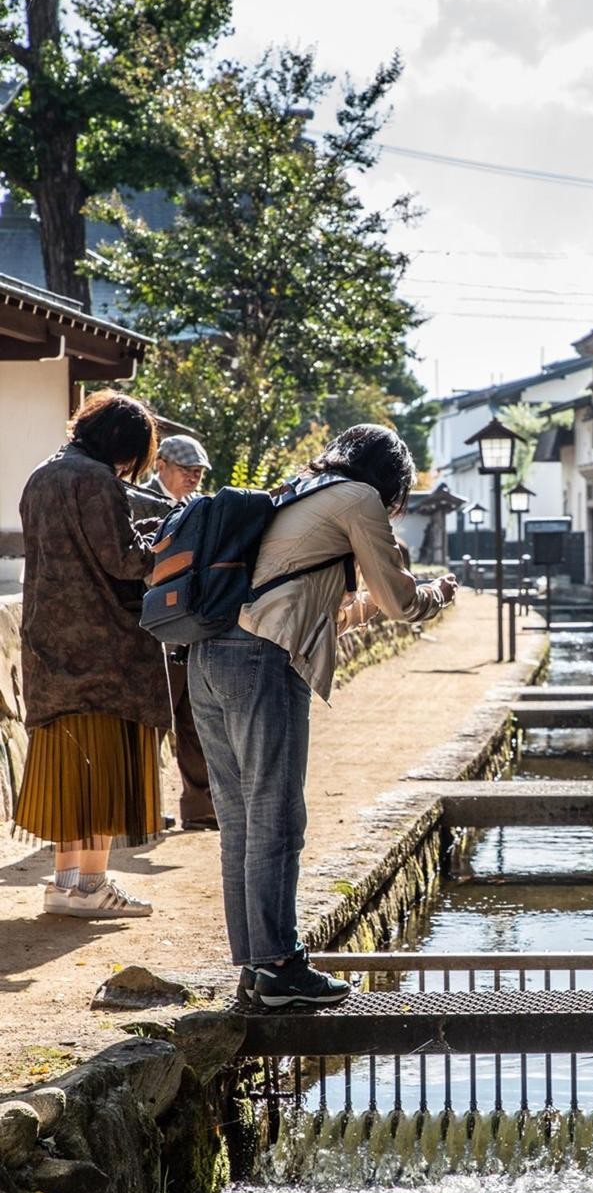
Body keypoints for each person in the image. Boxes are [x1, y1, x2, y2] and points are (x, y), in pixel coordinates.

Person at [188, 424, 458, 1008]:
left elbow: (325, 606)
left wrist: (369, 605)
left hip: (209, 657)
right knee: (278, 818)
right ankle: (282, 965)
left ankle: (258, 969)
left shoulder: (300, 490)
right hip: (264, 661)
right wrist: (437, 592)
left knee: (242, 819)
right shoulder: (358, 500)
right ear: (391, 481)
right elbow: (400, 601)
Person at [15, 390, 170, 918]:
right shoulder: (97, 479)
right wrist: (165, 548)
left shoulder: (43, 474)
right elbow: (123, 561)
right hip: (103, 650)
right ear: (121, 444)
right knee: (104, 770)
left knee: (69, 774)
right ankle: (94, 885)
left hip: (48, 644)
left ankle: (64, 883)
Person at [132, 433, 218, 832]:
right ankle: (142, 811)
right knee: (152, 721)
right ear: (161, 463)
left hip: (188, 626)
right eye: (187, 470)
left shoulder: (196, 506)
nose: (194, 478)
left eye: (199, 472)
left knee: (195, 721)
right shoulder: (136, 500)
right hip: (153, 628)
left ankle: (199, 809)